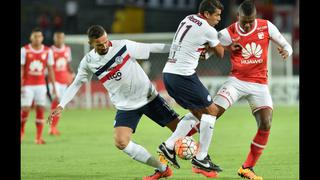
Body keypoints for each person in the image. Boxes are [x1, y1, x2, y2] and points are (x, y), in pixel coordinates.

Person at [48, 25, 198, 180]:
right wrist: (61, 104)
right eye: (99, 44)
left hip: (149, 98)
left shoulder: (122, 46)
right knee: (121, 142)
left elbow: (153, 47)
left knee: (182, 130)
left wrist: (178, 49)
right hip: (126, 107)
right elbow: (76, 83)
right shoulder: (88, 61)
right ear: (91, 44)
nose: (105, 45)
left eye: (106, 41)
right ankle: (162, 169)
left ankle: (201, 159)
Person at [192, 0, 293, 179]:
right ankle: (180, 138)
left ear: (256, 17)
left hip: (259, 85)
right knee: (212, 113)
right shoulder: (228, 32)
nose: (247, 25)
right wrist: (204, 54)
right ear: (238, 17)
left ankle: (247, 168)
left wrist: (286, 51)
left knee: (266, 123)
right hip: (236, 82)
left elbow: (287, 45)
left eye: (251, 21)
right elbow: (210, 49)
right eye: (244, 21)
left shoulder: (266, 27)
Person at [156, 0, 240, 178]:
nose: (219, 18)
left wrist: (206, 47)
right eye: (216, 15)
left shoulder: (188, 18)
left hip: (169, 75)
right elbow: (219, 53)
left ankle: (169, 146)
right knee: (211, 113)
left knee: (198, 114)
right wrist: (221, 44)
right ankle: (201, 158)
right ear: (207, 14)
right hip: (183, 76)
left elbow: (198, 48)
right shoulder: (208, 30)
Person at [21, 28, 57, 144]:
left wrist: (53, 86)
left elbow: (50, 69)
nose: (37, 38)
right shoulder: (24, 50)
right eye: (35, 36)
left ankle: (38, 137)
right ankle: (22, 132)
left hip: (41, 85)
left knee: (40, 109)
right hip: (27, 85)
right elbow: (21, 68)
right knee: (25, 109)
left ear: (42, 38)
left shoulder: (47, 51)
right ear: (31, 37)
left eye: (39, 36)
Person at [48, 31, 74, 136]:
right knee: (57, 102)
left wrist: (72, 74)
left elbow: (67, 64)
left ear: (63, 38)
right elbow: (48, 67)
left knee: (60, 105)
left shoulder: (67, 49)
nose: (59, 39)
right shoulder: (50, 50)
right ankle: (52, 127)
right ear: (54, 39)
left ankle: (54, 127)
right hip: (54, 81)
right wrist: (52, 84)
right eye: (57, 38)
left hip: (64, 81)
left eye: (61, 38)